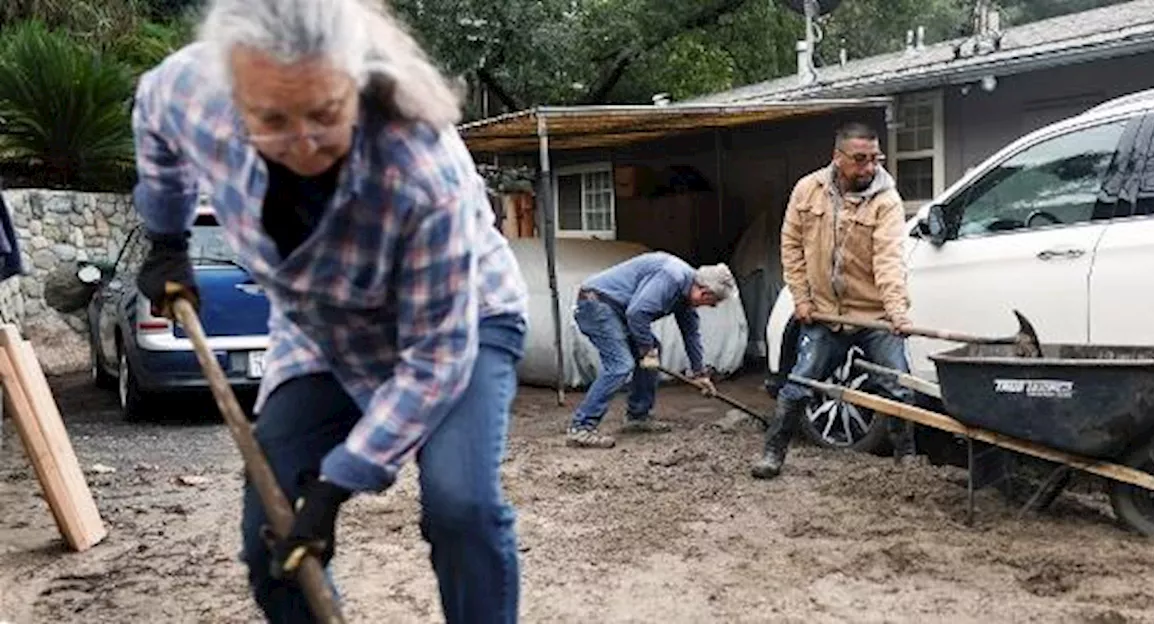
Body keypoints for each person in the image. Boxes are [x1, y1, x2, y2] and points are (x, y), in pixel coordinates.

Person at [129, 0, 529, 621]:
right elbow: (152, 114)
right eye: (271, 118)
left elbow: (435, 358)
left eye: (325, 112)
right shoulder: (192, 92)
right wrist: (167, 237)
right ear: (232, 88)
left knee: (460, 503)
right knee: (274, 530)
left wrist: (340, 478)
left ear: (357, 78)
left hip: (459, 322)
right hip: (320, 328)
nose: (303, 144)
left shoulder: (422, 168)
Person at [751, 122, 921, 480]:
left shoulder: (886, 200)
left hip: (873, 315)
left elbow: (889, 260)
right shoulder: (807, 190)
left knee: (898, 386)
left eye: (875, 159)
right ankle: (773, 452)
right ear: (837, 157)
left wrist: (897, 312)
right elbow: (792, 247)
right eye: (860, 160)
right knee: (800, 384)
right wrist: (801, 298)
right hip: (826, 314)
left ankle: (907, 459)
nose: (869, 168)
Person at [566, 252, 736, 449]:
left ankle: (638, 416)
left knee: (652, 352)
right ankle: (581, 427)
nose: (711, 306)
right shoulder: (671, 278)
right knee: (621, 365)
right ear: (704, 292)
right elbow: (637, 313)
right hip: (596, 304)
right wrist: (646, 350)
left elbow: (691, 334)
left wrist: (700, 374)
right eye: (712, 302)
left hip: (616, 310)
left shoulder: (685, 293)